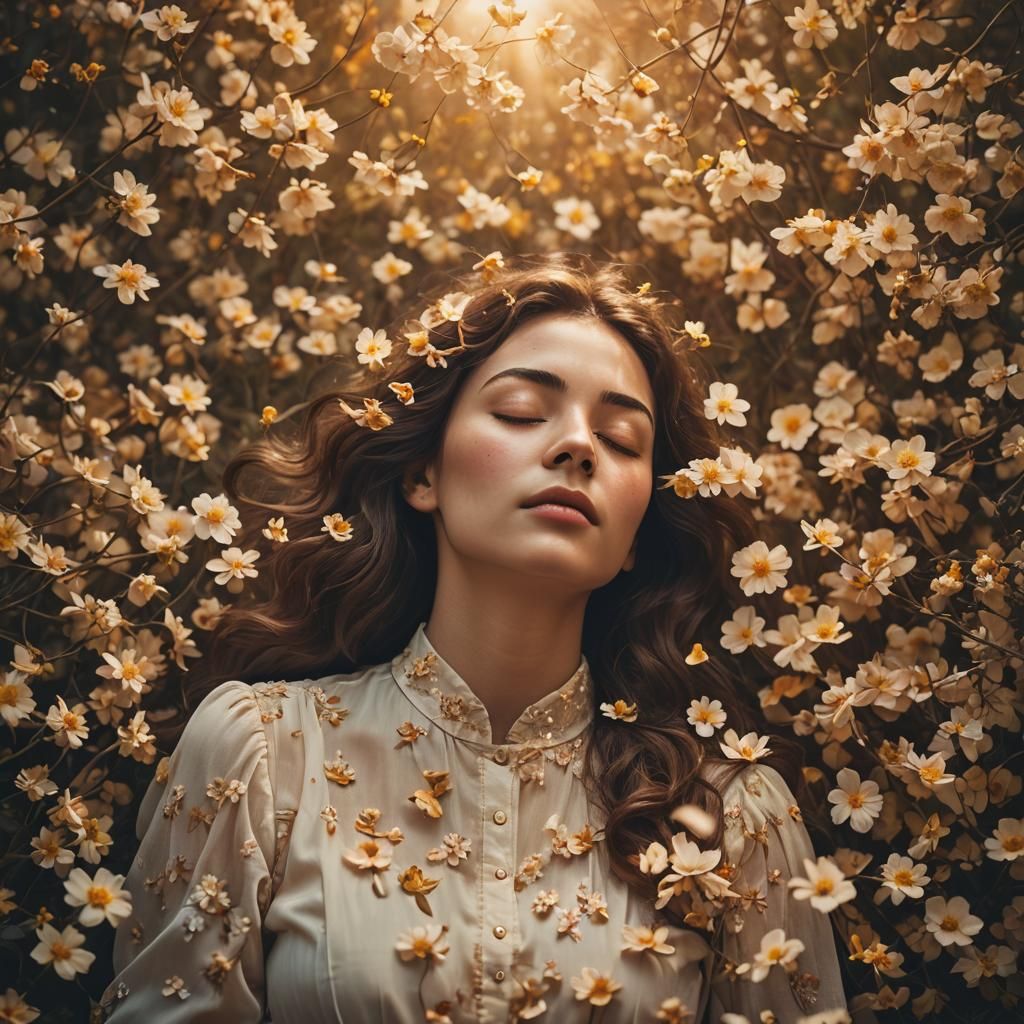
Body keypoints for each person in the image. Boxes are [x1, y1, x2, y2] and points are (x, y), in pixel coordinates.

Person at [99, 254, 858, 1022]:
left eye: (623, 440)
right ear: (422, 474)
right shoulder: (262, 754)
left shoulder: (731, 814)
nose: (577, 447)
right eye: (524, 412)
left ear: (635, 536)